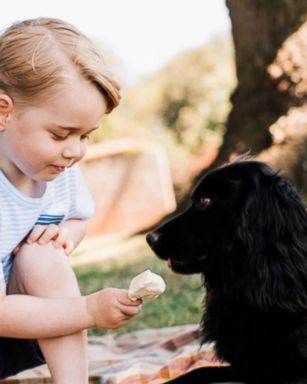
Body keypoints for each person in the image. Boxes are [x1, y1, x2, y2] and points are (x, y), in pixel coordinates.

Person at [0, 17, 142, 383]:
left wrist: (64, 236)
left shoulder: (57, 170)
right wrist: (88, 310)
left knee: (43, 258)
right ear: (4, 111)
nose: (75, 151)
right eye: (61, 134)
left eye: (85, 135)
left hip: (20, 331)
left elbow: (78, 217)